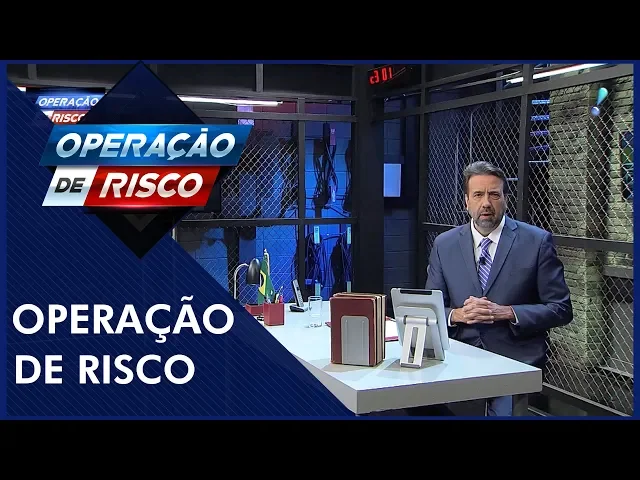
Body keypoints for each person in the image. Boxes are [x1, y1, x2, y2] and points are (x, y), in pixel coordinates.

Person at [425, 161, 573, 416]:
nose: (486, 203)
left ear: (505, 199)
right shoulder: (444, 244)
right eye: (478, 195)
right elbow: (432, 308)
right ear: (466, 201)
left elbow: (561, 309)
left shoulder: (536, 242)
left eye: (494, 194)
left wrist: (506, 312)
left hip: (515, 359)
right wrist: (458, 315)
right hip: (459, 355)